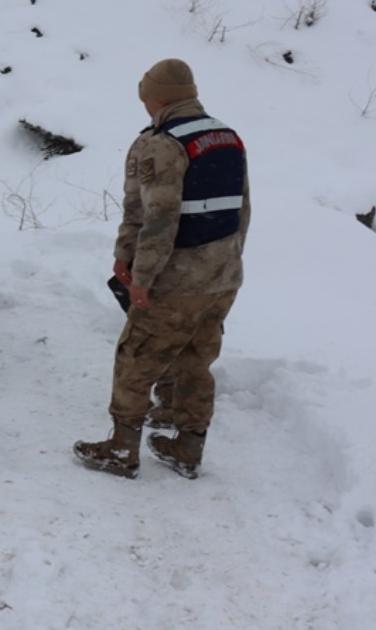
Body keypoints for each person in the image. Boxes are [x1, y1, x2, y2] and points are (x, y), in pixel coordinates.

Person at [75, 59, 249, 479]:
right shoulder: (226, 136)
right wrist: (229, 261)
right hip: (223, 274)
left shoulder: (160, 143)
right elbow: (243, 208)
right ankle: (188, 447)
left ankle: (121, 449)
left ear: (156, 98)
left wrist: (141, 276)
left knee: (136, 356)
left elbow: (156, 217)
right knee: (196, 359)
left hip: (177, 278)